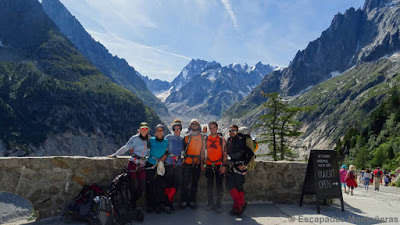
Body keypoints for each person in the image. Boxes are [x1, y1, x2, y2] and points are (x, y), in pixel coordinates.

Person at [107, 121, 150, 212]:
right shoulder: (134, 138)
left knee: (142, 187)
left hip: (142, 165)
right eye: (142, 129)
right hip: (133, 164)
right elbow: (126, 147)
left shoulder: (148, 139)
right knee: (132, 186)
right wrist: (115, 154)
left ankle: (132, 202)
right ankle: (131, 204)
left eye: (146, 129)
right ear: (139, 130)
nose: (144, 130)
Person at [226, 125, 254, 216]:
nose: (232, 132)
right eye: (230, 131)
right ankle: (241, 204)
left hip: (239, 167)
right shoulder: (228, 141)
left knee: (238, 186)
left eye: (234, 131)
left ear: (237, 132)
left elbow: (250, 153)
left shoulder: (241, 141)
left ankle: (238, 206)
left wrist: (244, 164)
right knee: (230, 185)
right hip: (232, 167)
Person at [180, 119, 206, 209]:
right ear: (190, 126)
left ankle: (192, 200)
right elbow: (182, 151)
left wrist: (202, 163)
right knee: (185, 182)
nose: (194, 125)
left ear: (198, 126)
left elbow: (203, 151)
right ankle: (184, 199)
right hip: (187, 162)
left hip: (197, 163)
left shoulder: (202, 137)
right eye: (193, 124)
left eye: (196, 124)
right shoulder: (186, 137)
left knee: (194, 183)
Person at [202, 121, 227, 213]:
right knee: (209, 185)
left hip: (219, 165)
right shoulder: (206, 139)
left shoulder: (222, 140)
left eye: (214, 127)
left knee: (219, 185)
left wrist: (224, 165)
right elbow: (202, 152)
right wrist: (202, 163)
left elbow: (224, 153)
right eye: (211, 128)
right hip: (209, 165)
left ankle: (218, 205)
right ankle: (210, 204)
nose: (212, 129)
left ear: (217, 128)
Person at [145, 124, 168, 213]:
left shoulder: (166, 141)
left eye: (161, 130)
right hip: (151, 164)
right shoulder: (151, 140)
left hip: (160, 165)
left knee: (159, 186)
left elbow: (167, 151)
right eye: (158, 130)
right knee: (150, 186)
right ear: (155, 132)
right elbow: (144, 146)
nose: (159, 132)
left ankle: (158, 204)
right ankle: (150, 205)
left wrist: (165, 155)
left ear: (163, 132)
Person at [163, 120, 184, 214]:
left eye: (179, 129)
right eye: (175, 129)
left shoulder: (182, 139)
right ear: (173, 130)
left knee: (176, 183)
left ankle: (167, 202)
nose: (177, 130)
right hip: (169, 163)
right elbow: (162, 147)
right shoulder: (168, 137)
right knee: (168, 183)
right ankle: (169, 204)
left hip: (178, 163)